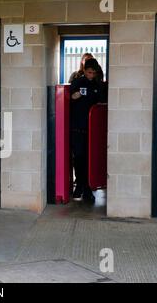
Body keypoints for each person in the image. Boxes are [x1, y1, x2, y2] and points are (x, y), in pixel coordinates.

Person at [69, 58, 102, 203]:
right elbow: (69, 98)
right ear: (84, 70)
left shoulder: (98, 84)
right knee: (79, 158)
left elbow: (101, 104)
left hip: (92, 129)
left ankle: (88, 188)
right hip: (78, 127)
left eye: (94, 73)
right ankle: (80, 185)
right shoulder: (77, 82)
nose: (91, 75)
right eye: (89, 72)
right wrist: (75, 96)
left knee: (90, 159)